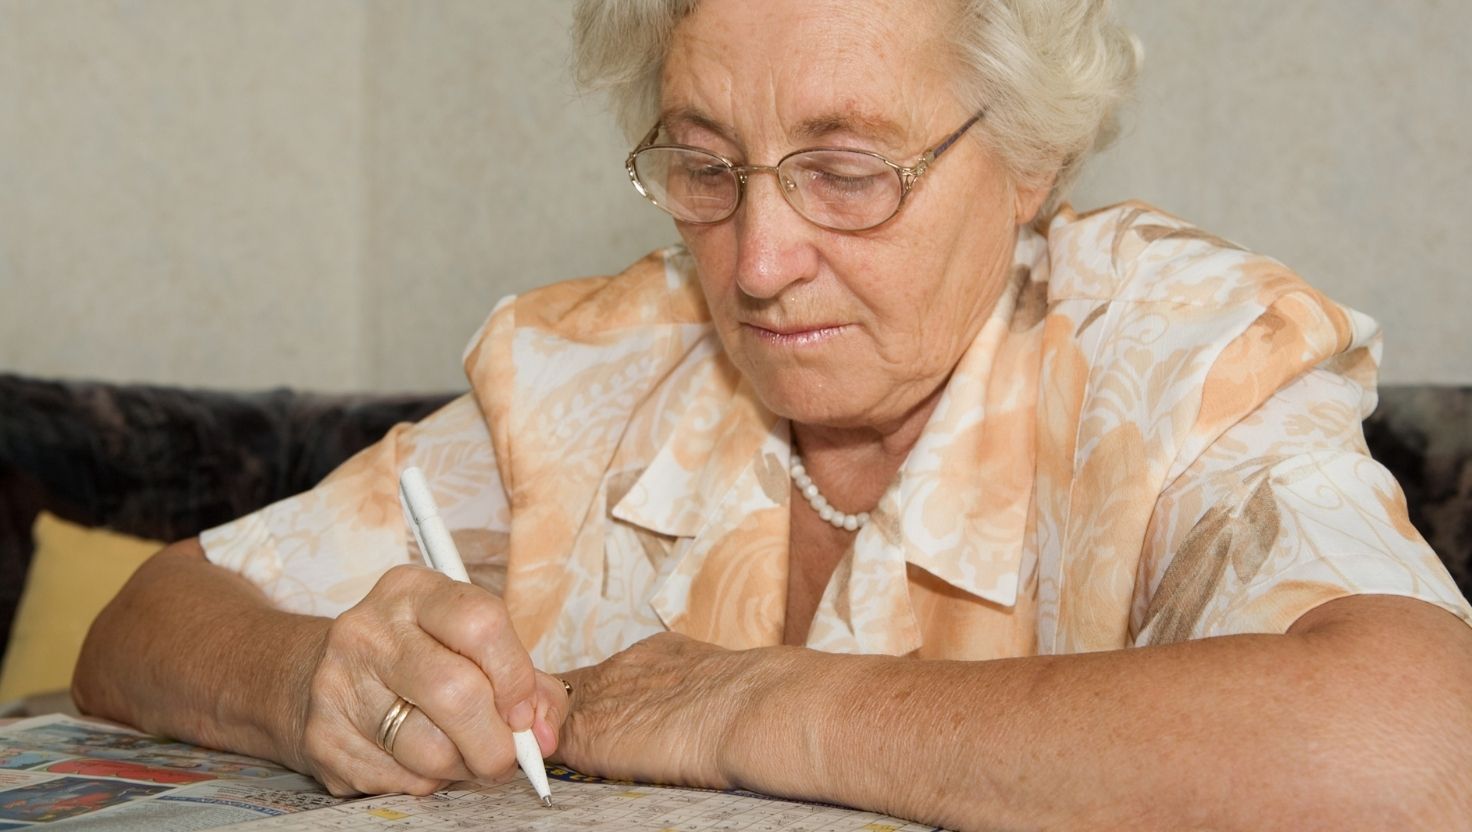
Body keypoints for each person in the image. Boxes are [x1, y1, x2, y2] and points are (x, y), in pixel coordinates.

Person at [74, 0, 1472, 828]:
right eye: (702, 167)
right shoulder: (601, 363)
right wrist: (309, 676)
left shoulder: (1176, 357)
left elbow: (1427, 747)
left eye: (848, 170)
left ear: (1032, 156)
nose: (752, 261)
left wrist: (748, 700)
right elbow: (147, 622)